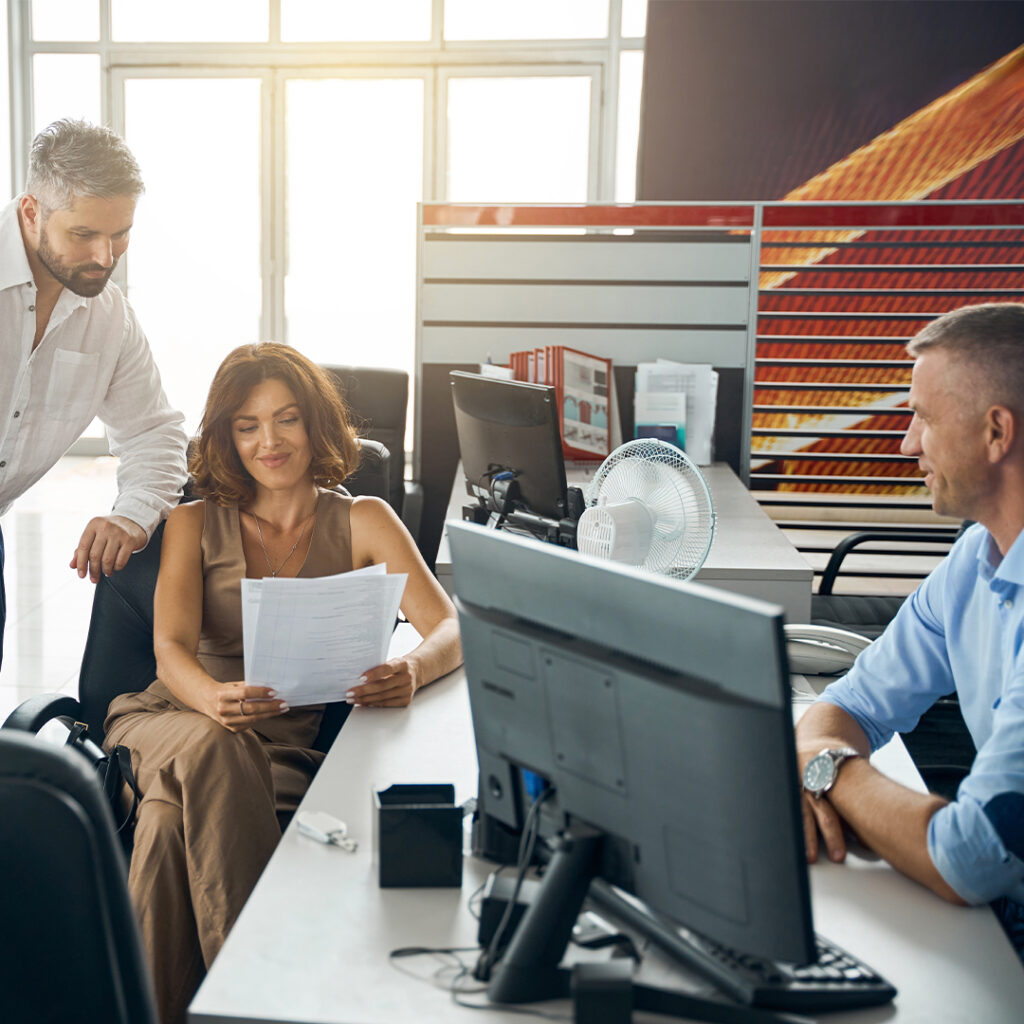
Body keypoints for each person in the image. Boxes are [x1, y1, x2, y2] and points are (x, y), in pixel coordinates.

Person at [103, 342, 462, 1024]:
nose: (268, 440)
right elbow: (169, 649)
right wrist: (211, 699)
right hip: (168, 721)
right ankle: (269, 1000)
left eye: (286, 419)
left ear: (315, 424)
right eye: (247, 425)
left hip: (281, 757)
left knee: (163, 824)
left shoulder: (364, 521)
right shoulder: (191, 521)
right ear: (227, 437)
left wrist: (411, 669)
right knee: (215, 747)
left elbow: (449, 627)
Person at [796, 302, 1024, 959]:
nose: (906, 443)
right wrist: (832, 759)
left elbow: (966, 859)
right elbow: (845, 705)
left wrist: (828, 775)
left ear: (996, 431)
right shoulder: (976, 559)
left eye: (922, 416)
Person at [0, 118, 187, 667]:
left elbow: (154, 431)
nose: (105, 257)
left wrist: (133, 514)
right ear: (32, 212)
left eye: (120, 234)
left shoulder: (108, 318)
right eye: (84, 235)